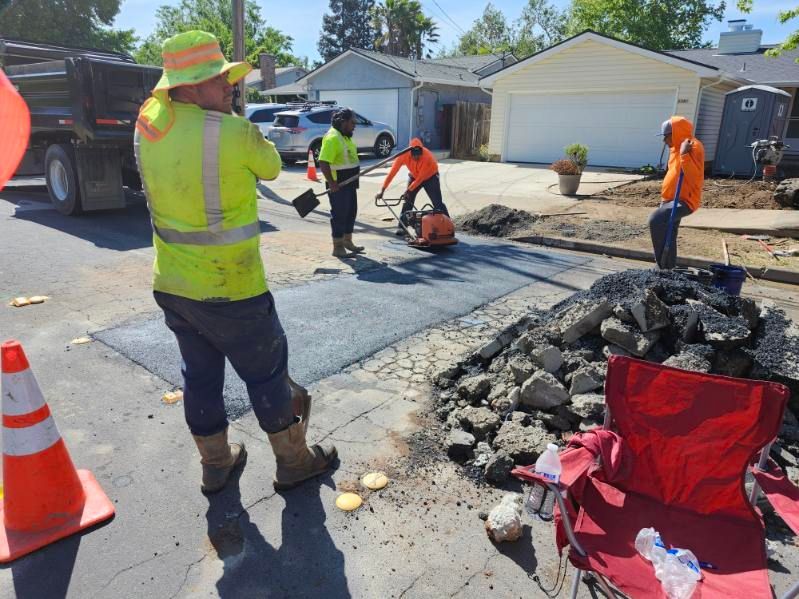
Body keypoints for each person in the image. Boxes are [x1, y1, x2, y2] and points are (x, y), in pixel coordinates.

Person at [134, 30, 336, 495]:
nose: (230, 86)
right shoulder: (233, 131)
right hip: (232, 288)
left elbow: (159, 116)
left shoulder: (149, 123)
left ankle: (216, 464)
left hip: (173, 284)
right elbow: (269, 168)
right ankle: (294, 462)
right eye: (218, 78)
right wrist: (232, 120)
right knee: (266, 376)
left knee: (200, 377)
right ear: (187, 85)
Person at [650, 116, 704, 269]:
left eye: (666, 136)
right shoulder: (675, 149)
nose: (664, 141)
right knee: (668, 233)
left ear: (675, 133)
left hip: (685, 200)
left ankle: (663, 267)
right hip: (669, 199)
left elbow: (695, 177)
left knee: (655, 220)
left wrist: (685, 155)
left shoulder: (694, 147)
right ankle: (668, 268)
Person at [375, 137, 450, 236]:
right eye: (414, 156)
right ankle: (402, 227)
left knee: (437, 202)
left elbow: (421, 178)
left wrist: (409, 190)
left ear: (422, 151)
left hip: (430, 177)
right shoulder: (403, 155)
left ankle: (448, 226)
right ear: (409, 151)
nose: (416, 158)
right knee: (408, 201)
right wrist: (382, 190)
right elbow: (392, 173)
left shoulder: (427, 157)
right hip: (414, 176)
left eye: (418, 156)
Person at [318, 108, 364, 258]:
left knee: (351, 212)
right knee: (340, 215)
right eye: (352, 122)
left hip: (350, 183)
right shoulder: (332, 138)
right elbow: (324, 162)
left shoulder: (345, 136)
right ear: (343, 122)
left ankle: (347, 241)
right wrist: (331, 183)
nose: (355, 125)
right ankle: (337, 247)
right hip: (338, 185)